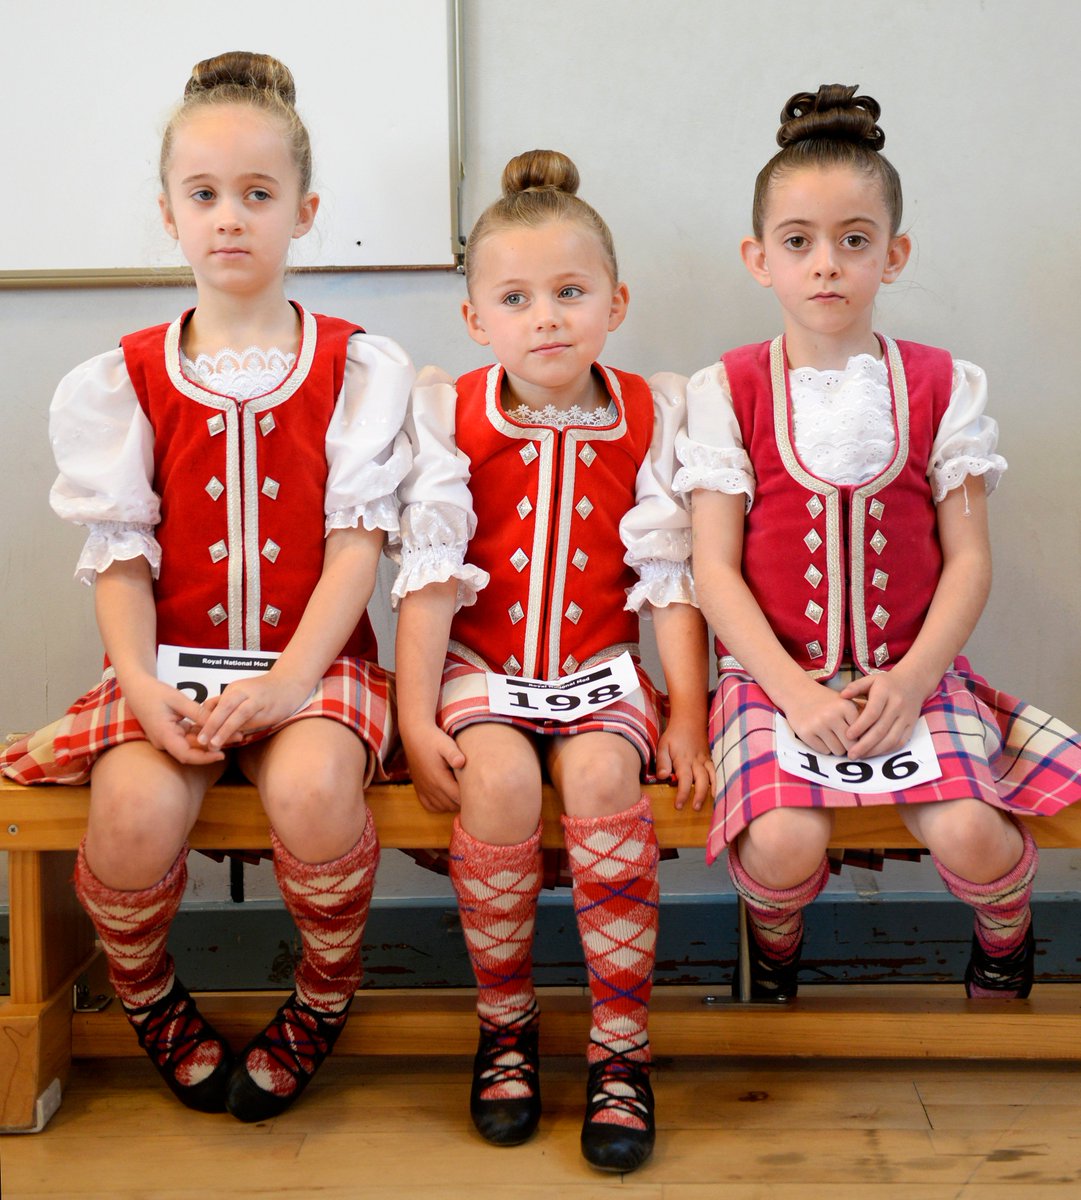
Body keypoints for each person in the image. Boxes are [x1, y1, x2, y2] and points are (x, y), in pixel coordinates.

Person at [0, 51, 415, 1120]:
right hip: (167, 669)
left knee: (314, 790)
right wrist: (139, 685)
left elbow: (356, 548)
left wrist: (287, 684)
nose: (231, 217)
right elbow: (121, 556)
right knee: (132, 808)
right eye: (205, 194)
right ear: (169, 214)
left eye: (258, 194)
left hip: (312, 672)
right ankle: (147, 997)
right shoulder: (124, 378)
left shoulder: (355, 368)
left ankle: (322, 994)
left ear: (305, 211)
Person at [676, 83, 1081, 1004]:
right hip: (773, 681)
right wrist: (792, 691)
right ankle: (773, 956)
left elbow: (968, 559)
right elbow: (713, 568)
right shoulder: (725, 390)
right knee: (784, 840)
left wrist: (908, 681)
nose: (826, 264)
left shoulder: (943, 386)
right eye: (797, 242)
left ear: (892, 255)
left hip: (914, 675)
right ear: (757, 258)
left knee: (969, 830)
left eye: (853, 240)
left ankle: (1005, 943)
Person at [393, 150, 712, 1173]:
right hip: (481, 666)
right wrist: (413, 720)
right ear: (475, 318)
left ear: (615, 302)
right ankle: (505, 1026)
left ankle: (620, 1046)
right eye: (516, 298)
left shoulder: (652, 415)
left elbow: (670, 580)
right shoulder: (450, 414)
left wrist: (687, 713)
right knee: (495, 779)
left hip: (595, 667)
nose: (546, 318)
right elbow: (428, 579)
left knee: (605, 773)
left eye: (570, 293)